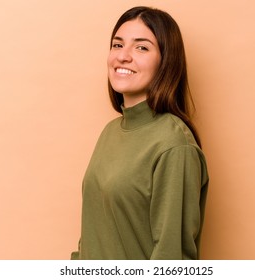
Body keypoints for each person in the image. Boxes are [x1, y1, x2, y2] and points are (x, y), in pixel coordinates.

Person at [71, 6, 209, 260]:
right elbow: (93, 232)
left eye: (141, 47)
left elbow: (171, 258)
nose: (123, 56)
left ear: (166, 61)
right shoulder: (111, 132)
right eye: (117, 45)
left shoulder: (174, 144)